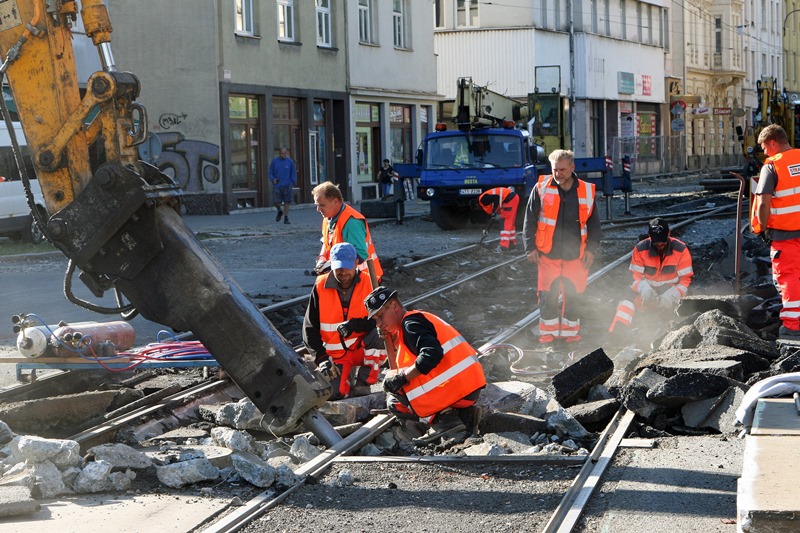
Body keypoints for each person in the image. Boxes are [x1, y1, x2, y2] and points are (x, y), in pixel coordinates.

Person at [364, 286, 486, 444]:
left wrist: (402, 378)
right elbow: (415, 355)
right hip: (468, 388)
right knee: (399, 380)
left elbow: (431, 354)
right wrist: (392, 337)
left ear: (394, 306)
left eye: (381, 316)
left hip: (457, 389)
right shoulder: (417, 320)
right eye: (376, 320)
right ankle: (463, 415)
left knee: (394, 398)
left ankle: (446, 423)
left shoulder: (411, 324)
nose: (379, 324)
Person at [523, 149, 600, 344]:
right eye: (555, 170)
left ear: (572, 168)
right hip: (548, 255)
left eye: (562, 170)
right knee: (548, 298)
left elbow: (594, 224)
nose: (558, 174)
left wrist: (591, 249)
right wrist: (529, 247)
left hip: (576, 256)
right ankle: (548, 339)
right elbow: (529, 220)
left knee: (574, 298)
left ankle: (570, 338)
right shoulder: (541, 187)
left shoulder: (587, 191)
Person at [303, 243, 386, 399]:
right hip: (336, 355)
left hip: (361, 348)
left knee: (382, 332)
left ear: (356, 263)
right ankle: (345, 381)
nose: (342, 272)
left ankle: (363, 383)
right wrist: (321, 359)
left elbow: (383, 318)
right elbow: (309, 328)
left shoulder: (371, 283)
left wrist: (355, 325)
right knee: (336, 394)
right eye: (338, 267)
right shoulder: (321, 286)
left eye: (347, 267)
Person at [750, 124, 800, 339]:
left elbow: (763, 203)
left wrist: (761, 228)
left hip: (785, 235)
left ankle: (791, 328)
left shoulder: (772, 167)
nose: (764, 154)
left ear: (772, 143)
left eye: (764, 148)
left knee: (788, 278)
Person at [608, 218, 693, 332]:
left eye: (662, 243)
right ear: (649, 236)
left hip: (669, 291)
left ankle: (673, 330)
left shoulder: (681, 250)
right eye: (656, 243)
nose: (659, 246)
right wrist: (643, 287)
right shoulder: (640, 249)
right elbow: (634, 276)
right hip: (646, 291)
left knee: (685, 302)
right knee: (626, 301)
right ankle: (618, 334)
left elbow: (686, 280)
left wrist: (672, 295)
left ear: (668, 234)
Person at [312, 181, 384, 281]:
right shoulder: (328, 218)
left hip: (364, 279)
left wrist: (330, 264)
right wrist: (322, 259)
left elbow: (360, 254)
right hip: (348, 278)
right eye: (317, 205)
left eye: (321, 205)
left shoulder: (351, 222)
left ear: (335, 201)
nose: (318, 209)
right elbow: (326, 242)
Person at [478, 186, 519, 253]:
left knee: (505, 222)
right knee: (510, 223)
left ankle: (504, 246)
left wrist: (494, 211)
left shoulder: (483, 200)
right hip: (513, 198)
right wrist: (494, 213)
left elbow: (496, 197)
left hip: (509, 199)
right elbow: (494, 213)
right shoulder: (486, 199)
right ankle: (512, 244)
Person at [269, 147, 296, 224]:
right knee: (275, 201)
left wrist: (292, 181)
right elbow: (270, 172)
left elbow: (293, 173)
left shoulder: (290, 162)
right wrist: (273, 179)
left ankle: (286, 218)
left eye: (285, 153)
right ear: (279, 153)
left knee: (287, 201)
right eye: (282, 153)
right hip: (277, 185)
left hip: (287, 185)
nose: (283, 155)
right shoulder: (274, 162)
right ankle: (279, 211)